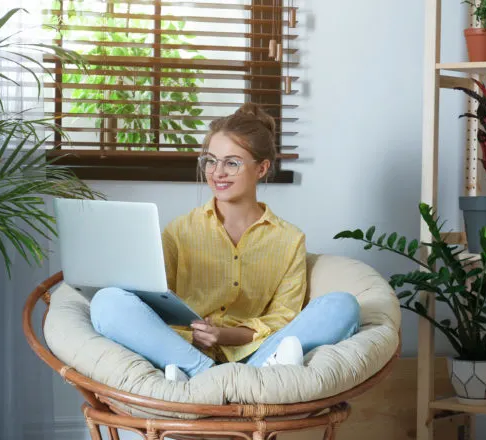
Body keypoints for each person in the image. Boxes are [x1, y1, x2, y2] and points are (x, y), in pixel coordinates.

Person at [90, 103, 361, 382]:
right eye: (210, 160)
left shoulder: (289, 240)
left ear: (262, 168)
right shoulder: (180, 230)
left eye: (232, 162)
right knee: (106, 303)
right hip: (186, 351)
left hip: (253, 355)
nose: (217, 172)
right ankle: (208, 377)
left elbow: (282, 318)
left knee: (343, 306)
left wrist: (225, 335)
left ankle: (243, 377)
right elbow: (155, 301)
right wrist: (192, 335)